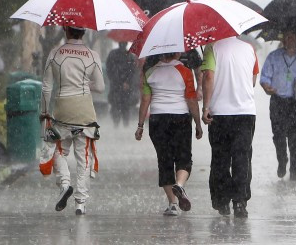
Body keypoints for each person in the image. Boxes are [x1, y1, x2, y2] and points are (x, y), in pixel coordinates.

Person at [40, 26, 105, 216]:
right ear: (83, 32)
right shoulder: (92, 55)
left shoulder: (55, 53)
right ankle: (80, 203)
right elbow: (101, 87)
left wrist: (44, 111)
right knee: (84, 157)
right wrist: (85, 83)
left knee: (58, 150)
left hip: (63, 111)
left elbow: (46, 88)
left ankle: (65, 184)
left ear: (65, 30)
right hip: (85, 112)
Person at [134, 52, 203, 215]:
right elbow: (191, 100)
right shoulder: (185, 71)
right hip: (181, 118)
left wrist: (140, 125)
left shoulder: (150, 71)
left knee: (164, 161)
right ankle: (179, 184)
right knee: (184, 158)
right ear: (177, 53)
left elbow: (145, 100)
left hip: (158, 120)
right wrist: (198, 123)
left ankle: (172, 204)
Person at [201, 36, 259, 218]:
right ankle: (240, 202)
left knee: (221, 159)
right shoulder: (250, 48)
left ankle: (222, 201)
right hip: (245, 112)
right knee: (242, 158)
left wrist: (206, 107)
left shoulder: (212, 48)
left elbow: (209, 76)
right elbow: (253, 79)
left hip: (220, 113)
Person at [260, 29, 296, 180]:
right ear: (283, 40)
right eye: (288, 37)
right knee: (279, 136)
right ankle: (282, 160)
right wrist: (266, 86)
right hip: (278, 101)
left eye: (294, 37)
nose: (291, 41)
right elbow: (264, 77)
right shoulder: (273, 57)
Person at [106, 42, 139, 127]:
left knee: (118, 109)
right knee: (124, 109)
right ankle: (123, 127)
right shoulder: (130, 56)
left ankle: (118, 127)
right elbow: (133, 72)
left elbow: (109, 70)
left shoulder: (113, 54)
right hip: (123, 89)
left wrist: (117, 82)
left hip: (117, 88)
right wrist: (127, 83)